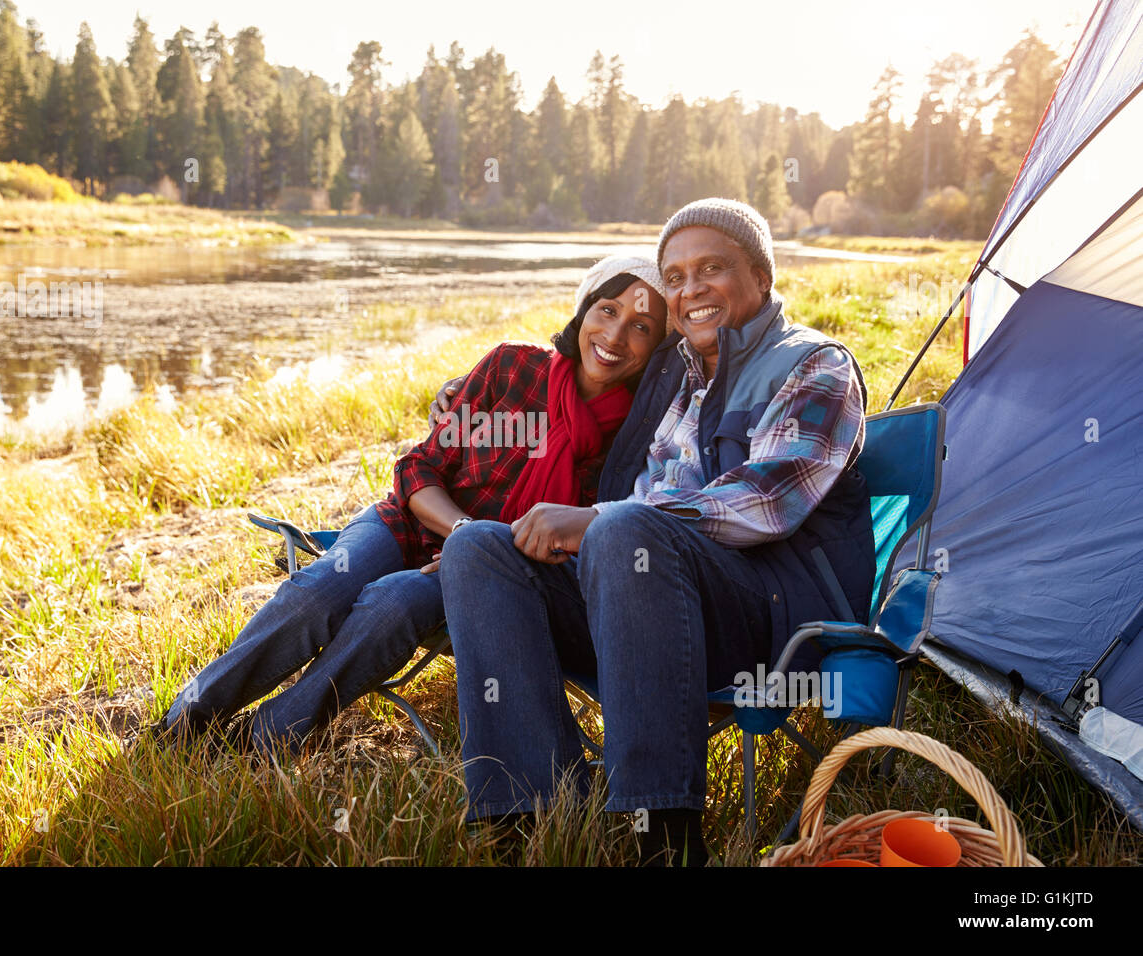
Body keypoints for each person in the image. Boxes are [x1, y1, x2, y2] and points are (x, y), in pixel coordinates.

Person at [434, 198, 875, 865]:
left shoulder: (815, 366)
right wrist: (468, 398)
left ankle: (661, 836)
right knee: (479, 547)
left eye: (712, 269)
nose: (689, 288)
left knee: (626, 530)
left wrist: (599, 522)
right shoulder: (684, 381)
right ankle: (531, 814)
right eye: (675, 276)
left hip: (774, 624)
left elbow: (768, 501)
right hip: (655, 611)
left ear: (761, 277)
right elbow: (630, 454)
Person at [145, 255, 668, 760]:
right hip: (410, 523)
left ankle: (268, 737)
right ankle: (187, 720)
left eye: (642, 326)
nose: (616, 336)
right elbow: (420, 467)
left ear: (658, 347)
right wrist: (467, 533)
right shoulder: (513, 366)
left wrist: (478, 558)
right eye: (608, 310)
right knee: (317, 592)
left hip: (485, 575)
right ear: (585, 310)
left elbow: (579, 544)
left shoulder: (636, 438)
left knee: (390, 607)